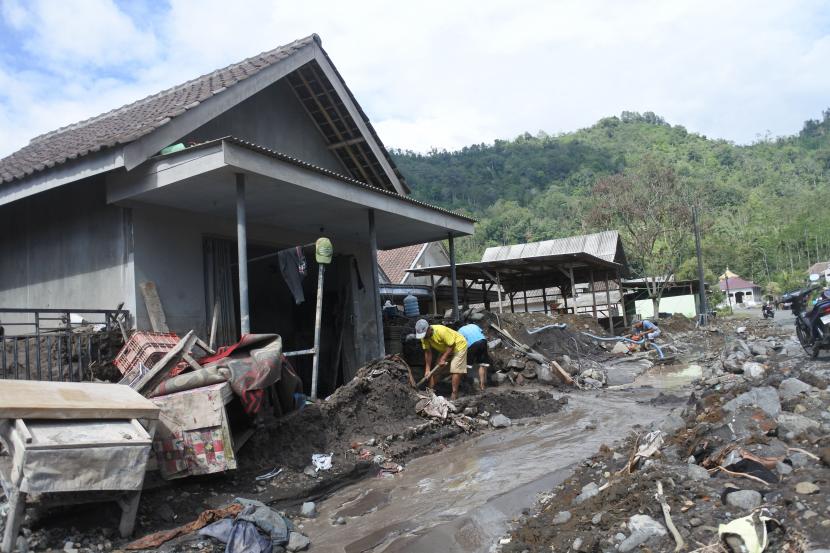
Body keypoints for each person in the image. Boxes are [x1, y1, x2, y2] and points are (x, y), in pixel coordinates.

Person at [414, 319, 468, 400]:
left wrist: (443, 358)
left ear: (429, 329)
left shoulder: (441, 331)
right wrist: (427, 369)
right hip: (445, 348)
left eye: (424, 334)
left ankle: (454, 394)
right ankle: (429, 393)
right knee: (436, 371)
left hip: (458, 345)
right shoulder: (424, 337)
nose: (424, 337)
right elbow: (428, 352)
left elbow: (451, 344)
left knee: (455, 369)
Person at [458, 322, 490, 392]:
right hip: (483, 341)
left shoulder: (460, 330)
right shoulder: (474, 325)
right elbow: (482, 332)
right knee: (482, 364)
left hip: (472, 344)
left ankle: (466, 382)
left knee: (467, 365)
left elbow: (460, 341)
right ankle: (482, 385)